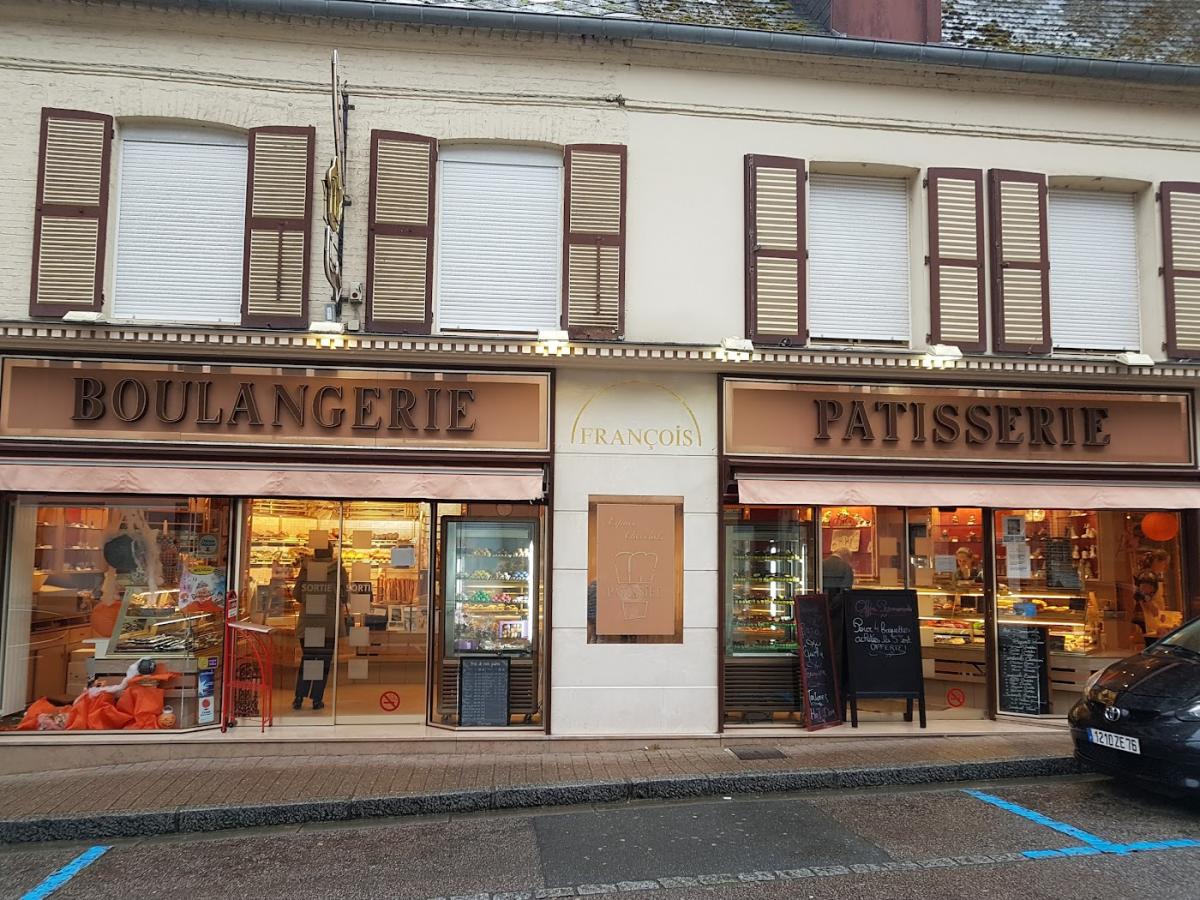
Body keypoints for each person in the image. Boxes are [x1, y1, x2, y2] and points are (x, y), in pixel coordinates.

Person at [292, 548, 348, 711]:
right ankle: (316, 700)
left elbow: (297, 594)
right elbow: (344, 596)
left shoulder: (306, 568)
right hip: (329, 623)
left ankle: (299, 698)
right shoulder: (339, 569)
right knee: (323, 662)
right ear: (331, 553)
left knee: (308, 659)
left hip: (308, 622)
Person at [1132, 549, 1170, 640]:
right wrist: (1153, 607)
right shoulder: (1148, 576)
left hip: (1153, 618)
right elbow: (1142, 594)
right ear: (1156, 561)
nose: (1165, 567)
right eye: (1164, 563)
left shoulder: (1153, 575)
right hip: (1147, 618)